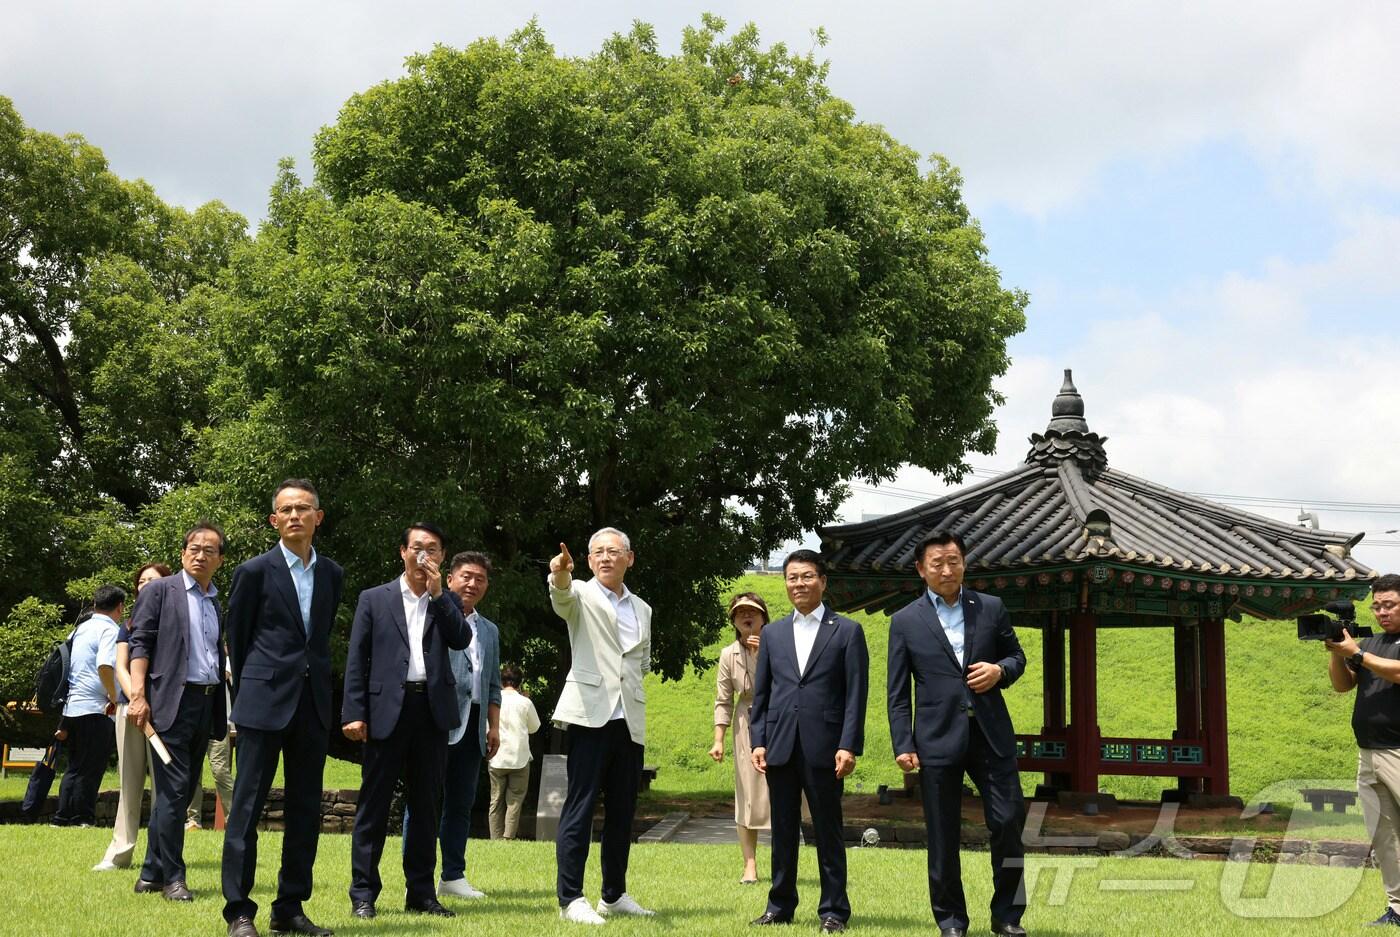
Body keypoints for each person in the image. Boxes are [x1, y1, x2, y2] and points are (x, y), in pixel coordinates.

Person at [887, 531, 1028, 937]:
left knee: (1008, 821)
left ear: (964, 563)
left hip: (991, 734)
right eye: (937, 563)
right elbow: (897, 692)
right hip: (936, 738)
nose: (947, 569)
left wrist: (1001, 671)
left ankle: (1008, 917)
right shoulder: (905, 621)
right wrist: (903, 744)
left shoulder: (990, 607)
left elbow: (1016, 656)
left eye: (954, 561)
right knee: (943, 834)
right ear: (921, 570)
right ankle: (951, 921)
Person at [222, 479, 345, 937]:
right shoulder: (254, 572)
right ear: (274, 520)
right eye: (285, 509)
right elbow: (239, 635)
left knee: (305, 808)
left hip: (311, 705)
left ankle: (289, 908)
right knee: (247, 808)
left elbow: (319, 636)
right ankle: (239, 911)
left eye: (303, 508)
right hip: (262, 703)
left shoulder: (332, 574)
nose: (295, 515)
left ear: (318, 516)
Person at [342, 522, 470, 920]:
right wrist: (354, 712)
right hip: (385, 711)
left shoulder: (444, 599)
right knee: (373, 806)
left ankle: (421, 893)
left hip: (430, 712)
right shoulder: (374, 599)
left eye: (432, 549)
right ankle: (363, 893)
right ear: (402, 552)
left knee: (426, 806)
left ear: (442, 557)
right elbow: (356, 659)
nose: (423, 555)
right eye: (417, 547)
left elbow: (462, 639)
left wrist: (439, 596)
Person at [750, 549, 868, 934]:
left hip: (827, 746)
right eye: (791, 578)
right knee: (782, 830)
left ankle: (834, 910)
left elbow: (855, 695)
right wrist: (758, 740)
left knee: (828, 829)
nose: (798, 584)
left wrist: (849, 744)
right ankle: (779, 906)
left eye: (806, 576)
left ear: (823, 581)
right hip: (780, 745)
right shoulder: (772, 633)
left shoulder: (846, 631)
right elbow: (762, 693)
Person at [549, 528, 655, 925]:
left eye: (614, 551)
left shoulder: (642, 608)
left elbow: (641, 661)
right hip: (590, 714)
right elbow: (561, 597)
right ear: (589, 561)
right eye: (597, 552)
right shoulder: (580, 593)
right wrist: (559, 573)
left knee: (623, 811)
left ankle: (614, 894)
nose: (606, 557)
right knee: (580, 805)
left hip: (629, 717)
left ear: (630, 558)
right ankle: (571, 898)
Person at [127, 521, 229, 901]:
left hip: (206, 702)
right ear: (183, 552)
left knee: (182, 791)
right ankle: (174, 877)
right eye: (194, 548)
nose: (200, 555)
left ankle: (151, 873)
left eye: (209, 550)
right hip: (169, 703)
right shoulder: (159, 591)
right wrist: (138, 695)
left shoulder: (215, 600)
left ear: (220, 559)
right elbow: (140, 644)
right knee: (172, 793)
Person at [424, 551, 502, 901]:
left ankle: (453, 875)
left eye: (480, 579)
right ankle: (420, 876)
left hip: (473, 725)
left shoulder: (489, 630)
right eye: (466, 576)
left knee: (460, 803)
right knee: (424, 801)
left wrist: (494, 727)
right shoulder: (433, 613)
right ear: (450, 579)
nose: (472, 584)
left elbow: (493, 683)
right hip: (438, 720)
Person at [1325, 573, 1400, 928]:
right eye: (1377, 606)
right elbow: (1342, 686)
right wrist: (1338, 653)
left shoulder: (1369, 650)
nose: (1382, 612)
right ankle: (1398, 910)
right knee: (1384, 837)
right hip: (1368, 753)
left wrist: (1357, 652)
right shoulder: (1373, 644)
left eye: (1390, 605)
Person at [94, 562, 169, 869]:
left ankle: (163, 856)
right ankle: (119, 853)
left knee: (166, 786)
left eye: (152, 580)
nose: (145, 585)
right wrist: (136, 699)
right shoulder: (128, 623)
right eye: (141, 581)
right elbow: (120, 666)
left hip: (165, 710)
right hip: (130, 708)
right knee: (129, 782)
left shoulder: (174, 620)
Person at [709, 592, 772, 884]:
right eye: (740, 612)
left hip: (778, 719)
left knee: (782, 792)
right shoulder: (727, 654)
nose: (747, 616)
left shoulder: (778, 644)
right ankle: (750, 864)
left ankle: (784, 861)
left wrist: (764, 656)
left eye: (753, 611)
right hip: (746, 722)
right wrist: (718, 739)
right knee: (747, 793)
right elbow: (723, 700)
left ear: (763, 617)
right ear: (734, 620)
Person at [53, 584, 125, 826]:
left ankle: (62, 816)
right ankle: (82, 817)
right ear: (120, 607)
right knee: (91, 766)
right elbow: (105, 665)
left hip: (73, 706)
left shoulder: (80, 629)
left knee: (75, 765)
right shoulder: (110, 629)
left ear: (95, 605)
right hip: (97, 707)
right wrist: (114, 696)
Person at [488, 663, 540, 840]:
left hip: (496, 756)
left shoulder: (493, 700)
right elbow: (534, 728)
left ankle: (495, 838)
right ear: (520, 682)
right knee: (515, 800)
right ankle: (508, 837)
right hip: (519, 757)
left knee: (495, 800)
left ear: (501, 681)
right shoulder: (525, 702)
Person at [187, 656, 234, 831]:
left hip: (220, 722)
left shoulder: (226, 660)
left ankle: (234, 818)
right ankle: (193, 820)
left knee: (220, 770)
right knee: (194, 771)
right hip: (195, 719)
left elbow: (224, 674)